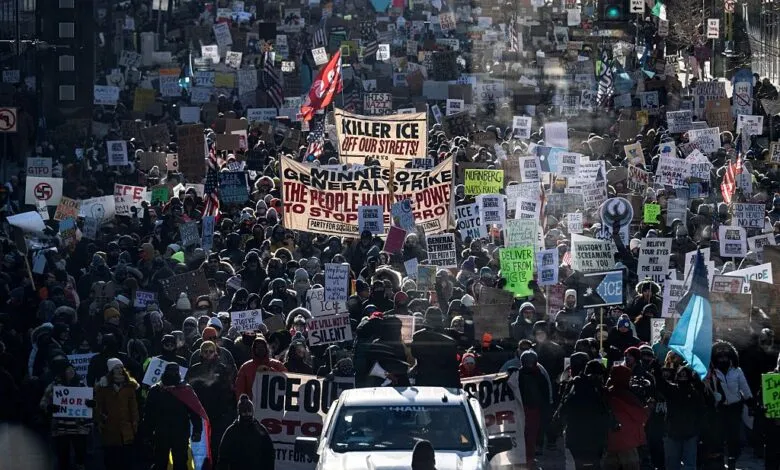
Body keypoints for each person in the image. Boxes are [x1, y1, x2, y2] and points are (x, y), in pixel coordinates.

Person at [143, 363, 209, 470]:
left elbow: (194, 411)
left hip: (180, 433)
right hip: (161, 432)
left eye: (174, 372)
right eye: (170, 372)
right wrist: (147, 433)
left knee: (180, 462)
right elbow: (149, 413)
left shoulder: (185, 390)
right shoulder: (155, 390)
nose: (172, 374)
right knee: (160, 462)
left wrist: (197, 430)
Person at [557, 359, 611, 470]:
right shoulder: (598, 390)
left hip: (575, 436)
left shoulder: (574, 385)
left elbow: (562, 409)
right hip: (595, 437)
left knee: (580, 465)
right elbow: (606, 412)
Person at [39, 357, 91, 470]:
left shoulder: (81, 384)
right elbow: (43, 402)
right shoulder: (54, 386)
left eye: (72, 369)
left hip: (78, 427)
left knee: (80, 454)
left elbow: (90, 402)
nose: (71, 371)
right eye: (68, 370)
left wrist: (91, 403)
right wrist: (49, 407)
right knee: (63, 456)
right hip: (60, 427)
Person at [710, 342, 753, 470]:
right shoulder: (711, 372)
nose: (723, 358)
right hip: (719, 408)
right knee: (719, 435)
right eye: (720, 356)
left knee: (733, 436)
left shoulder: (737, 371)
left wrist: (750, 400)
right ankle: (720, 461)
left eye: (725, 355)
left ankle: (732, 460)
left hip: (735, 408)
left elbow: (744, 387)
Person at [94, 357, 140, 470]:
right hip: (110, 427)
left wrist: (135, 422)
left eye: (121, 367)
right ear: (111, 370)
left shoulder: (129, 386)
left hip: (126, 427)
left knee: (126, 459)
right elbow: (98, 406)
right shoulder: (103, 387)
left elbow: (133, 407)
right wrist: (100, 420)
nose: (119, 370)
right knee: (111, 459)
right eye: (116, 368)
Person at [602, 365, 649, 470]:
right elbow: (641, 417)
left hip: (610, 444)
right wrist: (648, 408)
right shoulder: (628, 397)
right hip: (628, 445)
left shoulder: (606, 394)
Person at [217, 394, 275, 470]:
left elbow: (269, 454)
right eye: (244, 412)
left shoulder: (260, 430)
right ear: (239, 413)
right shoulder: (231, 431)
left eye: (249, 412)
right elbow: (223, 458)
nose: (247, 414)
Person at [411, 307, 460, 388]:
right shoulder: (452, 334)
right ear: (441, 319)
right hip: (447, 383)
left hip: (425, 382)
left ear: (426, 320)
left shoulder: (418, 336)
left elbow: (414, 354)